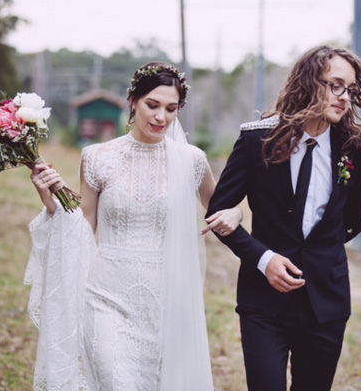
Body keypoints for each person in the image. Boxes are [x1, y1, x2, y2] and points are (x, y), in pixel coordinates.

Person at [205, 45, 361, 390]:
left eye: (350, 89)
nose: (344, 97)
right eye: (335, 85)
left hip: (326, 304)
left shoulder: (354, 148)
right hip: (264, 302)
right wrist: (265, 259)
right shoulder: (257, 141)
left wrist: (319, 256)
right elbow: (216, 212)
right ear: (308, 82)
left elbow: (352, 221)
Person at [26, 62, 241, 390]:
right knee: (116, 381)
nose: (161, 117)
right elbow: (84, 226)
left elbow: (221, 208)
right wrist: (50, 201)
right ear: (132, 101)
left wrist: (236, 214)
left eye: (171, 109)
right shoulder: (97, 157)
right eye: (152, 105)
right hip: (105, 296)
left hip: (166, 302)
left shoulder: (192, 160)